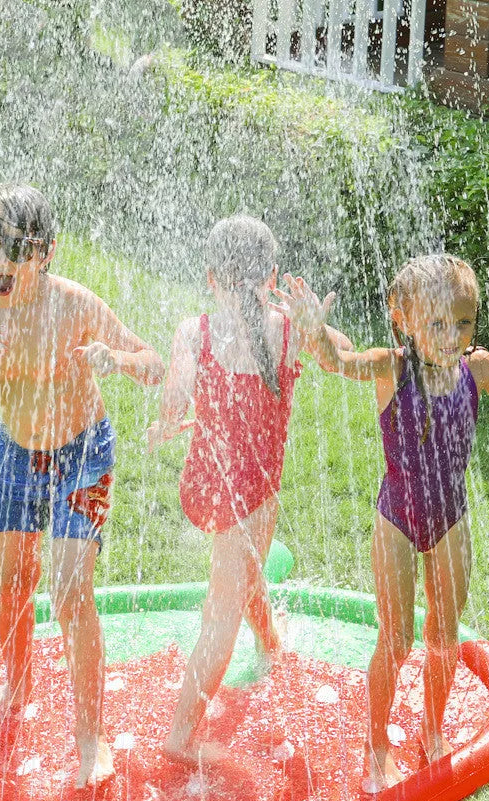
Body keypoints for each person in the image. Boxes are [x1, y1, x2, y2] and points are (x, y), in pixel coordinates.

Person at [281, 254, 489, 791]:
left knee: (442, 635)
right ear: (403, 320)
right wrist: (315, 334)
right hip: (397, 518)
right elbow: (338, 363)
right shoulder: (393, 367)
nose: (452, 335)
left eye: (463, 323)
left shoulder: (479, 369)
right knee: (395, 639)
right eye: (437, 324)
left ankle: (431, 730)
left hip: (450, 519)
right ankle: (376, 744)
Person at [0, 183, 164, 788]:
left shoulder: (73, 306)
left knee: (69, 591)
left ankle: (92, 738)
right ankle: (16, 688)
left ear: (46, 251)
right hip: (17, 454)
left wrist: (113, 360)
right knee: (12, 584)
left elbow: (153, 363)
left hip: (82, 456)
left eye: (14, 246)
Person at [147, 215, 351, 765]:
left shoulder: (196, 331)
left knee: (246, 574)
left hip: (206, 485)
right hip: (254, 493)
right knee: (222, 610)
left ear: (211, 276)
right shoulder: (286, 330)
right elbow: (344, 359)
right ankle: (180, 738)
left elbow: (173, 407)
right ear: (273, 275)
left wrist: (165, 427)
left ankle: (271, 640)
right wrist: (314, 327)